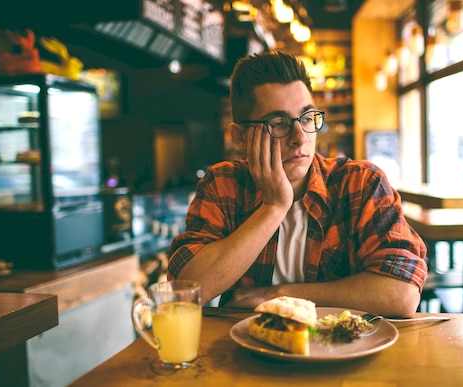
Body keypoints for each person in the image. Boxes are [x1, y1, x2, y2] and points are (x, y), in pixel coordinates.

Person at [167, 50, 428, 317]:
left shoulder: (360, 183)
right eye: (278, 123)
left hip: (342, 351)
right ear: (241, 137)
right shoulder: (225, 184)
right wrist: (273, 206)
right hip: (246, 353)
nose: (300, 138)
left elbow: (402, 294)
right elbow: (185, 292)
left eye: (306, 118)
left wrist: (278, 295)